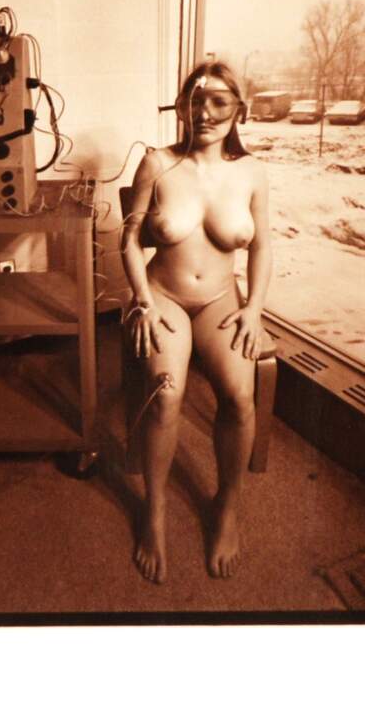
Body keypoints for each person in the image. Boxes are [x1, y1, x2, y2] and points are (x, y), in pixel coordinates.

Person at [119, 60, 272, 583]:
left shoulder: (252, 173)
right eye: (195, 101)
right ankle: (155, 509)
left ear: (239, 110)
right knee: (166, 394)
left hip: (222, 301)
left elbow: (263, 247)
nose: (204, 113)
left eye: (218, 102)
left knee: (240, 396)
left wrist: (254, 309)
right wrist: (141, 300)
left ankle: (227, 504)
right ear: (182, 107)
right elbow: (130, 239)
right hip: (163, 295)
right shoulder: (156, 163)